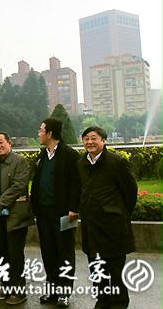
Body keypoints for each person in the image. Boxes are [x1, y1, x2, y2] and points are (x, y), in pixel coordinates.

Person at [78, 126, 137, 309]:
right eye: (86, 139)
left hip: (113, 225)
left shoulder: (116, 162)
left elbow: (130, 191)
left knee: (115, 267)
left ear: (103, 141)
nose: (89, 142)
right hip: (91, 224)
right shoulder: (81, 163)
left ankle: (119, 303)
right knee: (96, 266)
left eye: (93, 138)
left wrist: (119, 212)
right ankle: (102, 300)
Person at [30, 118, 80, 308]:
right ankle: (52, 290)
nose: (39, 133)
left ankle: (64, 293)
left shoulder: (70, 155)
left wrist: (74, 208)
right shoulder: (43, 155)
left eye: (41, 130)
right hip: (44, 213)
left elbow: (77, 184)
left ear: (50, 133)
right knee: (48, 252)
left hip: (64, 213)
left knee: (65, 252)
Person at [0, 132, 34, 306]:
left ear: (9, 143)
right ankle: (5, 288)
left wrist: (0, 204)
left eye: (1, 142)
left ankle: (18, 292)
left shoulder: (20, 162)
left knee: (15, 256)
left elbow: (19, 185)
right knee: (1, 255)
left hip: (15, 217)